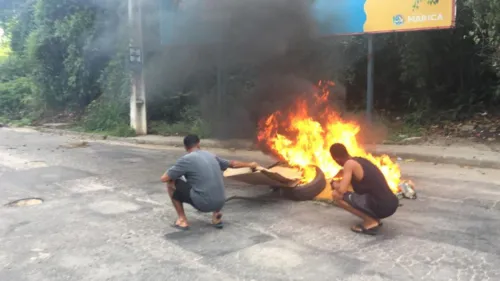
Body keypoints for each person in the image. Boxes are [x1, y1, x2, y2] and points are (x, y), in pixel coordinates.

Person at [161, 134, 260, 231]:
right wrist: (250, 164)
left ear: (186, 147)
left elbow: (164, 178)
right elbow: (233, 164)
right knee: (207, 179)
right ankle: (216, 216)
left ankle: (182, 220)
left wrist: (173, 170)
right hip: (221, 202)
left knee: (171, 183)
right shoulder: (211, 155)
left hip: (204, 204)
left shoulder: (186, 159)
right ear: (198, 144)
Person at [329, 143, 399, 235]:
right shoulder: (361, 160)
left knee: (336, 195)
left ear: (336, 159)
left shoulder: (349, 164)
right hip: (391, 203)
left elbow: (342, 190)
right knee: (352, 195)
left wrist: (333, 184)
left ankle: (371, 222)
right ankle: (375, 218)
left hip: (382, 206)